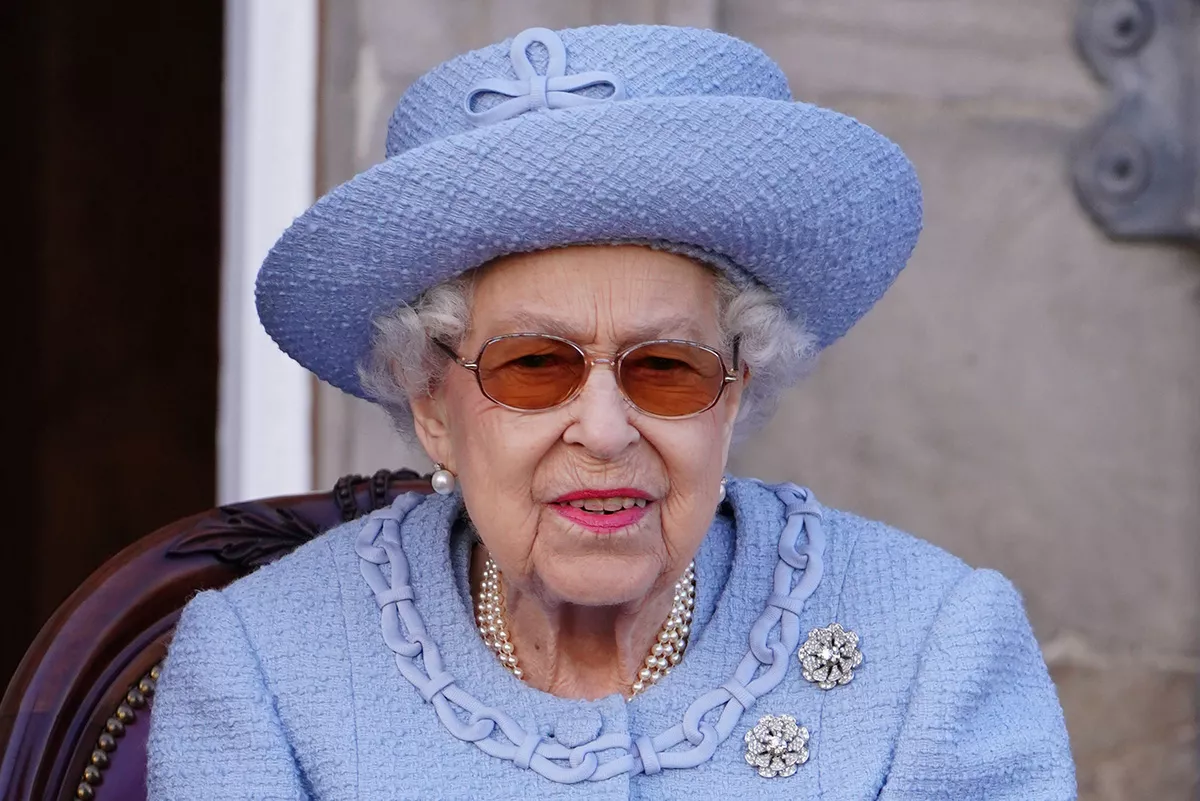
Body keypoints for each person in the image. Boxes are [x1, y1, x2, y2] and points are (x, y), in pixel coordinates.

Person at [147, 23, 1076, 800]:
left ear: (736, 392)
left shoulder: (935, 645)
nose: (603, 429)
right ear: (433, 403)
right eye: (535, 365)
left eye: (666, 367)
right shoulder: (263, 667)